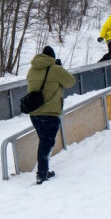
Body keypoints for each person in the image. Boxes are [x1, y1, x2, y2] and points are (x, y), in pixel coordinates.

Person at [26, 45, 76, 184]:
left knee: (44, 141)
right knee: (47, 143)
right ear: (52, 57)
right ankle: (42, 173)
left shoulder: (31, 69)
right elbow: (70, 82)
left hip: (34, 112)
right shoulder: (55, 69)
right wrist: (59, 67)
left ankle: (44, 170)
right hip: (50, 112)